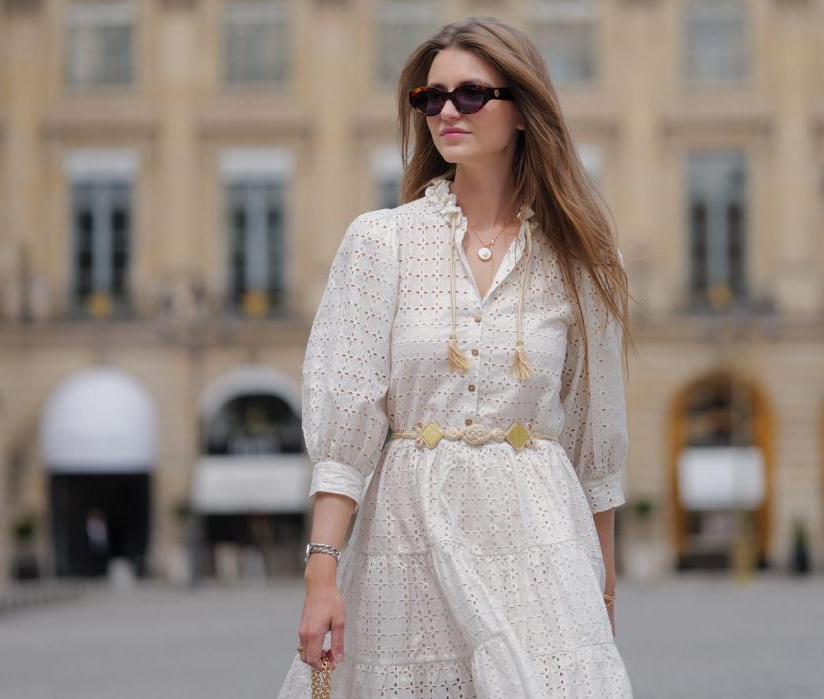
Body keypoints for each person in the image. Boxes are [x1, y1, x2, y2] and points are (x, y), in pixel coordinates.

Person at [278, 16, 634, 698]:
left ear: (522, 109)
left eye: (470, 95)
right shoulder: (381, 242)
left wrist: (602, 583)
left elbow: (595, 442)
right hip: (408, 533)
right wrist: (321, 572)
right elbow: (346, 430)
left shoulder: (582, 259)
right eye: (429, 96)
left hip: (539, 538)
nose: (445, 110)